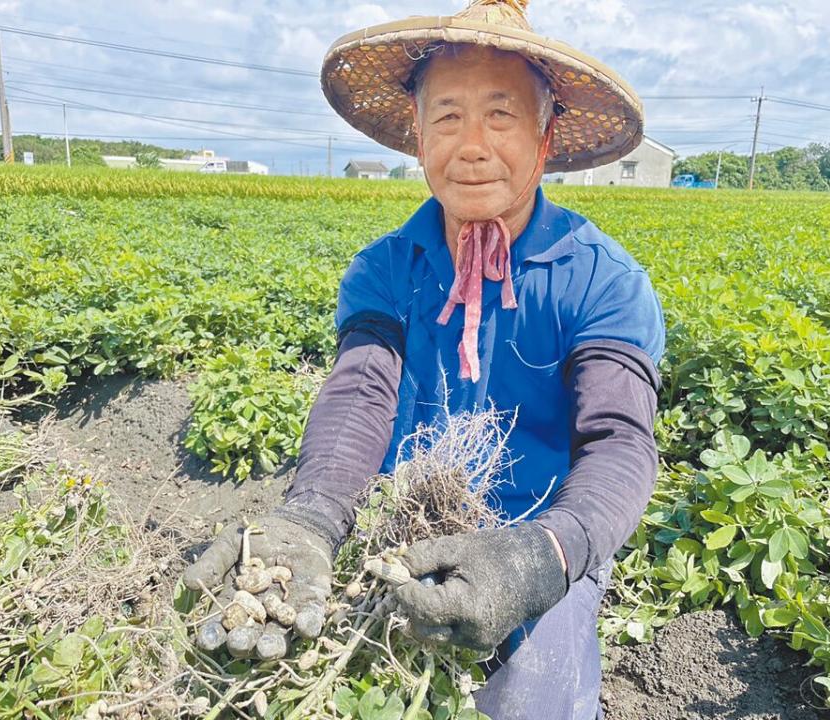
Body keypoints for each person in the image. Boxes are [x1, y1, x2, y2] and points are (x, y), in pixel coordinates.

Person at [184, 1, 665, 717]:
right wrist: (313, 517)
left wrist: (546, 558)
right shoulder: (385, 270)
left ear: (545, 136)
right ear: (416, 133)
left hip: (541, 535)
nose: (471, 145)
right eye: (446, 117)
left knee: (533, 704)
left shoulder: (603, 280)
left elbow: (619, 444)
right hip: (401, 526)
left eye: (500, 116)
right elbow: (361, 395)